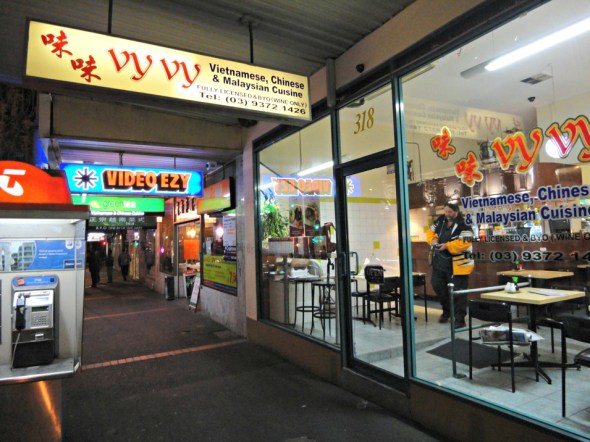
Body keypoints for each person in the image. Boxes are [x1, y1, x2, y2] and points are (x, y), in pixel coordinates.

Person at [425, 202, 474, 327]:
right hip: (439, 263)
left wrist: (446, 246)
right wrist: (433, 241)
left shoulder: (465, 224)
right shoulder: (440, 221)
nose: (447, 214)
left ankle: (460, 319)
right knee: (438, 286)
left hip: (458, 265)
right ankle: (447, 311)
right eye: (445, 211)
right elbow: (430, 232)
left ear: (456, 211)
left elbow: (465, 243)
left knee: (459, 293)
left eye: (449, 212)